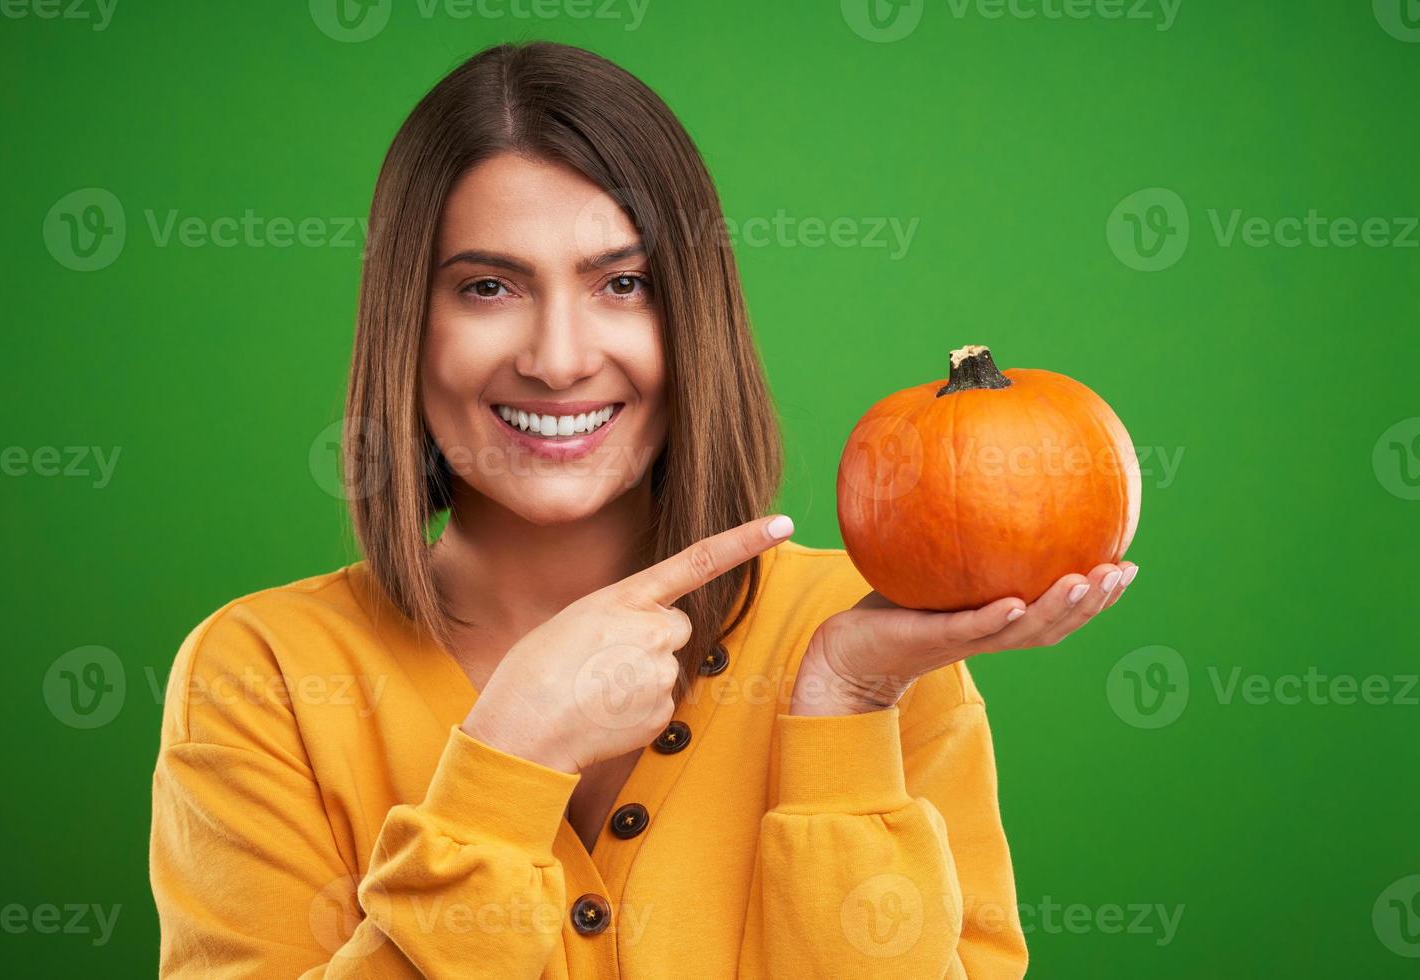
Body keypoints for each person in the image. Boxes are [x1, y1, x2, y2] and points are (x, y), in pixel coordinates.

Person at [148, 39, 1135, 978]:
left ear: (692, 314)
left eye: (623, 283)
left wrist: (845, 710)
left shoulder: (877, 641)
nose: (561, 356)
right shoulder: (264, 674)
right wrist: (510, 760)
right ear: (409, 322)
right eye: (488, 286)